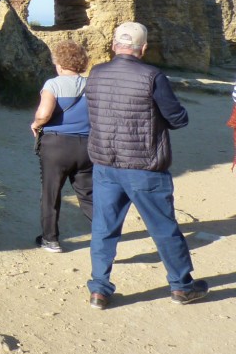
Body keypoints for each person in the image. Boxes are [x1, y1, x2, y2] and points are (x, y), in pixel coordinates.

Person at [85, 22, 208, 309]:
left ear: (114, 45)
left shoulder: (96, 73)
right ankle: (181, 286)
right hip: (144, 165)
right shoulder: (152, 75)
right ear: (143, 48)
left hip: (105, 162)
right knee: (163, 227)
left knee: (104, 228)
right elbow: (177, 118)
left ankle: (99, 290)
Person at [30, 40, 93, 253]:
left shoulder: (53, 84)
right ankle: (104, 234)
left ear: (59, 63)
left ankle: (51, 239)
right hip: (86, 145)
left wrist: (36, 124)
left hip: (57, 145)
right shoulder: (91, 84)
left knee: (51, 193)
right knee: (88, 194)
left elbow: (44, 113)